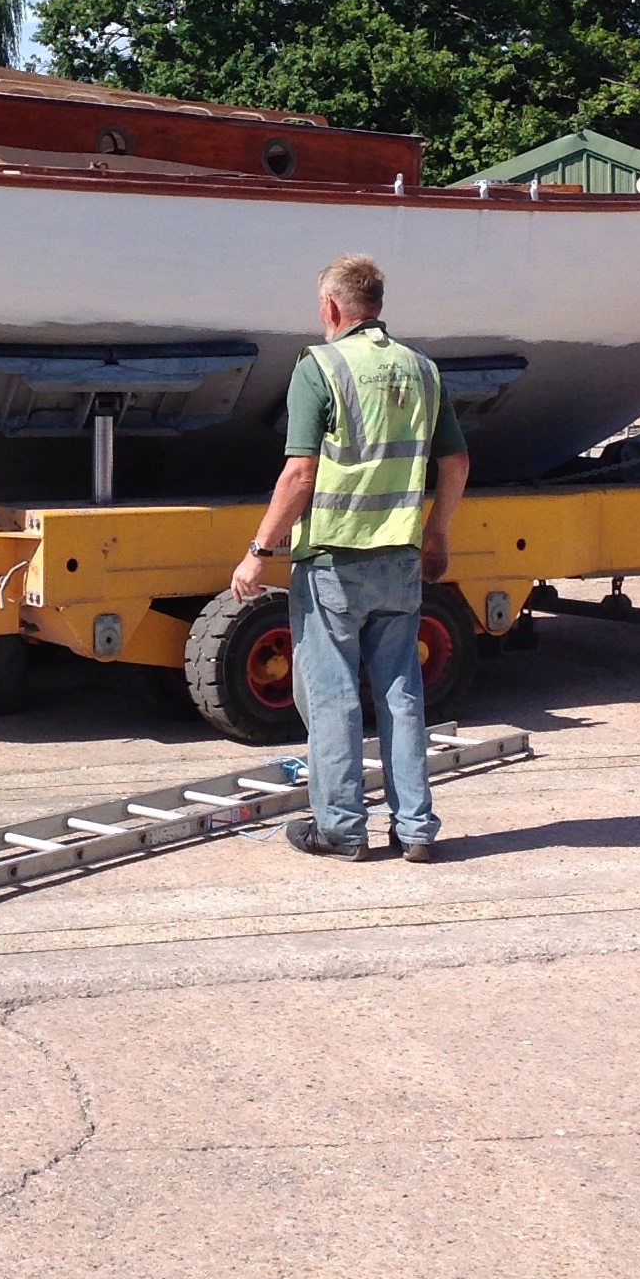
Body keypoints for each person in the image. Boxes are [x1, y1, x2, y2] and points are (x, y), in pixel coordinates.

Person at [231, 253, 469, 862]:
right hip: (399, 559)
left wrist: (258, 552)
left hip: (334, 562)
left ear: (332, 307)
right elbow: (456, 462)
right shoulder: (423, 369)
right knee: (401, 694)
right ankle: (415, 829)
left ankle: (340, 828)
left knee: (332, 695)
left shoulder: (320, 367)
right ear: (377, 305)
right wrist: (437, 535)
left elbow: (300, 473)